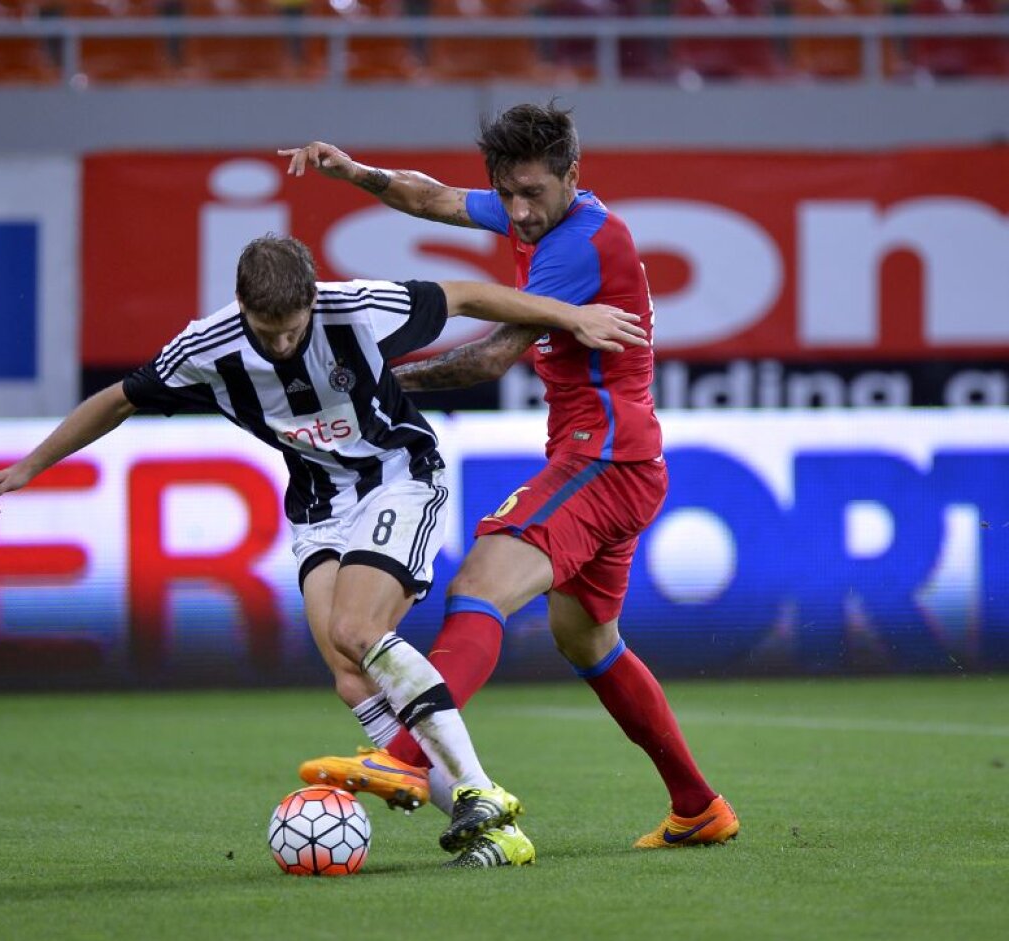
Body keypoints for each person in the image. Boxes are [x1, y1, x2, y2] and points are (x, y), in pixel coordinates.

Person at [0, 234, 648, 868]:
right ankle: (498, 832)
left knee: (358, 629)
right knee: (348, 671)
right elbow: (117, 400)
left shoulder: (356, 309)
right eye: (269, 332)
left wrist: (568, 315)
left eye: (293, 328)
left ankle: (477, 791)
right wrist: (30, 466)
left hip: (399, 477)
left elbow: (466, 295)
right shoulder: (206, 346)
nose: (284, 342)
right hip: (321, 505)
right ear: (243, 309)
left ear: (312, 298)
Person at [280, 103, 740, 852]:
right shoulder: (542, 213)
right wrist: (356, 172)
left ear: (572, 177)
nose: (519, 212)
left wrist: (365, 384)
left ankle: (401, 761)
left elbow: (490, 357)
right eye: (508, 194)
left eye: (532, 194)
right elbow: (431, 197)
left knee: (479, 588)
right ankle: (697, 807)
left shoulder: (581, 247)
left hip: (602, 458)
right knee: (589, 643)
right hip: (617, 458)